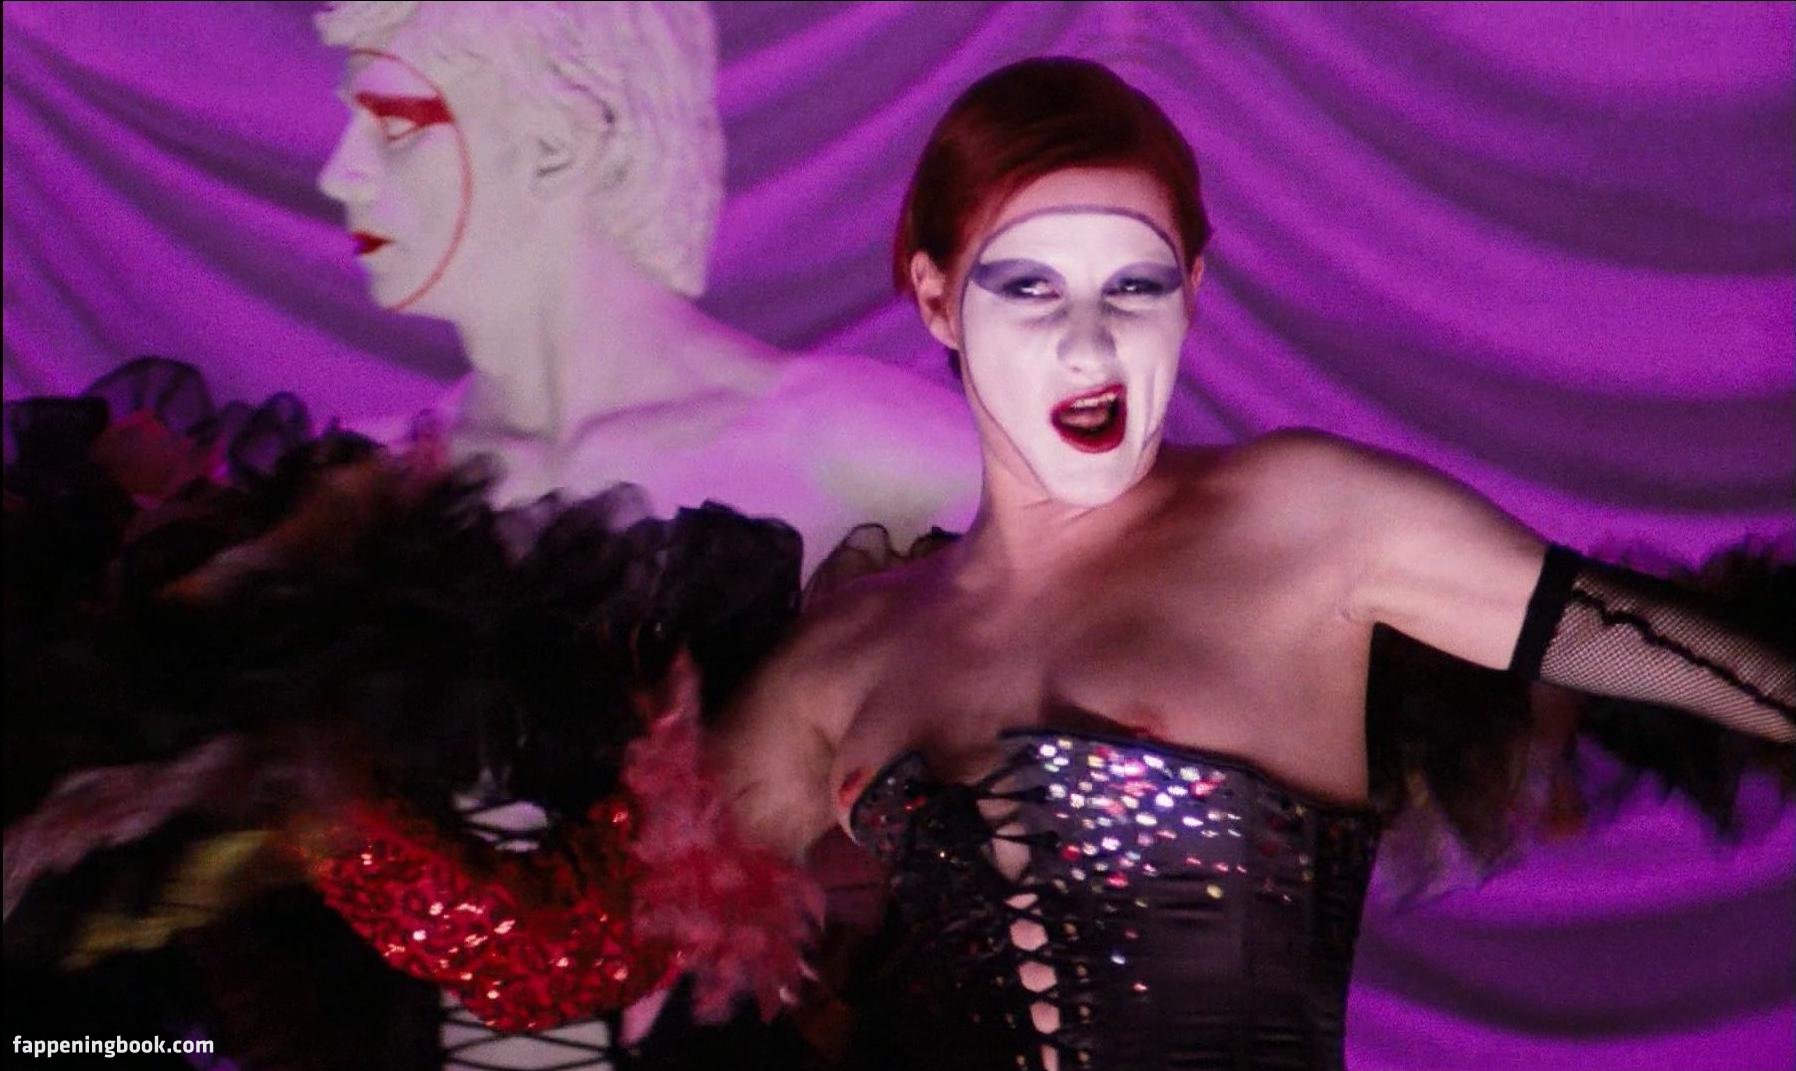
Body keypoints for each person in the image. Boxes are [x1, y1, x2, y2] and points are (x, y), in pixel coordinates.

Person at [709, 57, 1795, 1070]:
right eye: (1030, 289)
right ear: (938, 297)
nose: (1089, 346)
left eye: (1132, 288)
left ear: (1190, 287)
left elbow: (1744, 674)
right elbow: (645, 937)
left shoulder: (1306, 525)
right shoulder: (846, 652)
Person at [314, 0, 979, 576]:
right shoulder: (370, 488)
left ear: (559, 146)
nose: (339, 174)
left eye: (395, 128)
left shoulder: (859, 449)